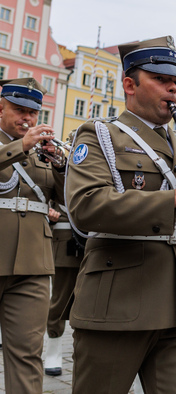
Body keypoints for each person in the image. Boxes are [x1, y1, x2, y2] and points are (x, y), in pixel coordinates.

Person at [65, 36, 176, 393]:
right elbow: (86, 206)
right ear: (129, 84)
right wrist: (174, 196)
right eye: (161, 79)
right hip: (119, 301)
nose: (173, 88)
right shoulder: (98, 135)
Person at [0, 77, 61, 393]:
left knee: (27, 354)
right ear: (0, 108)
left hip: (33, 264)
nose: (27, 118)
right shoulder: (20, 145)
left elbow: (67, 201)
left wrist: (61, 167)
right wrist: (18, 147)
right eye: (19, 110)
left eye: (33, 112)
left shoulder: (41, 151)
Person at [45, 131, 84, 376]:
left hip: (97, 244)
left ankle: (84, 351)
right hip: (66, 239)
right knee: (59, 300)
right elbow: (55, 191)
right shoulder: (60, 164)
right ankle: (53, 349)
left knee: (90, 303)